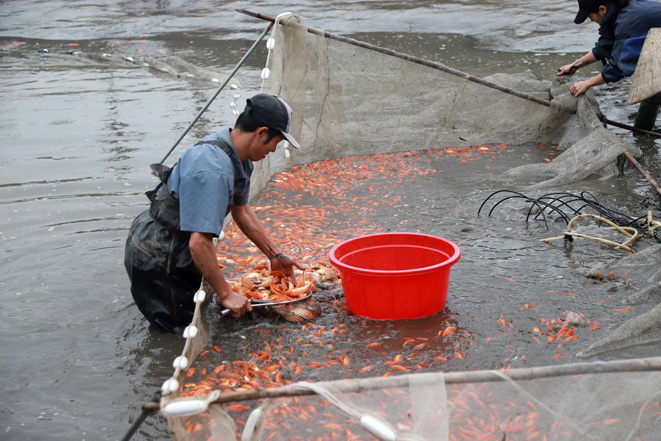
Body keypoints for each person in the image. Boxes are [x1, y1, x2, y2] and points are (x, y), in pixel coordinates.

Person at [124, 93, 305, 333]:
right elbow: (198, 243)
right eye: (276, 142)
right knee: (179, 331)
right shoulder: (213, 169)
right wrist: (226, 293)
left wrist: (275, 255)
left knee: (196, 312)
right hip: (157, 250)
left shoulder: (240, 158)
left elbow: (241, 210)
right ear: (261, 132)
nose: (273, 150)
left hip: (179, 241)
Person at [557, 0, 661, 129]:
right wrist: (575, 65)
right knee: (653, 87)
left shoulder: (626, 23)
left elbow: (618, 68)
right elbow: (606, 45)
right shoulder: (622, 11)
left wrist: (587, 83)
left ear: (602, 9)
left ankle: (643, 133)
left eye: (590, 17)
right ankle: (643, 133)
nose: (591, 20)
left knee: (655, 85)